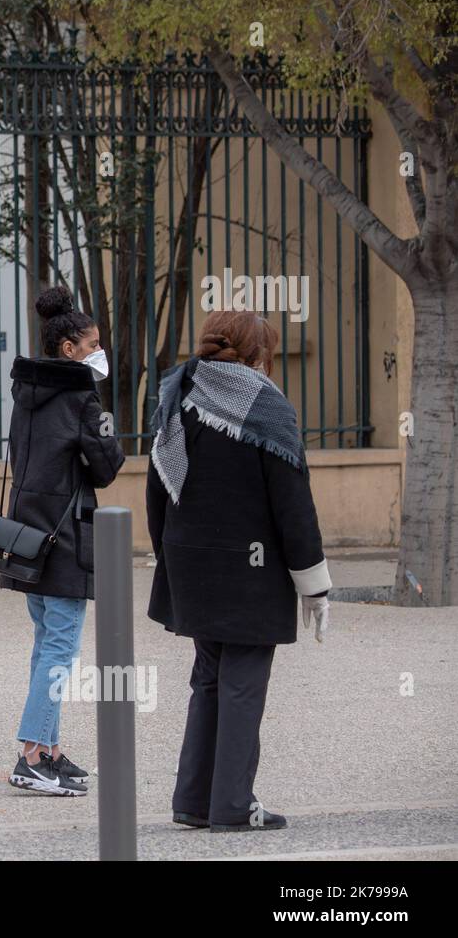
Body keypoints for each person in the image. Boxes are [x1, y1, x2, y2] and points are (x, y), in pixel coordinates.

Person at [147, 309, 332, 832]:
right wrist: (313, 585)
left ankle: (193, 801)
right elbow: (292, 504)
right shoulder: (266, 406)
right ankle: (231, 806)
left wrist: (170, 558)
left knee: (207, 679)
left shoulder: (179, 394)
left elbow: (158, 486)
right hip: (251, 571)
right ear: (258, 354)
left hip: (193, 563)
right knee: (242, 684)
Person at [0, 286, 125, 796]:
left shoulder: (27, 391)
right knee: (59, 647)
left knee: (44, 642)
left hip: (29, 532)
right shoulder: (79, 398)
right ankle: (31, 754)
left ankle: (49, 748)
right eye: (93, 343)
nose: (100, 351)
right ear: (69, 348)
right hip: (66, 535)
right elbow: (107, 466)